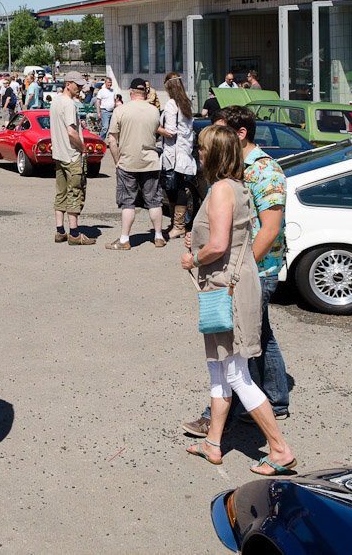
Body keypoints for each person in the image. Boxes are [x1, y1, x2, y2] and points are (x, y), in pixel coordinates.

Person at [181, 124, 296, 476]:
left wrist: (193, 258)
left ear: (213, 154)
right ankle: (214, 443)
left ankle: (279, 450)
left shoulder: (220, 190)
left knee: (235, 371)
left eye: (201, 149)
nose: (198, 154)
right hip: (230, 284)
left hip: (225, 286)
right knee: (218, 366)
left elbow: (217, 245)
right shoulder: (238, 186)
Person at [104, 78, 164, 250]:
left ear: (130, 92)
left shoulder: (120, 110)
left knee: (128, 201)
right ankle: (158, 236)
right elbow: (155, 133)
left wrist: (116, 160)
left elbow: (112, 139)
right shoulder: (154, 111)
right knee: (154, 200)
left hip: (127, 161)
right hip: (150, 161)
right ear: (145, 92)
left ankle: (124, 239)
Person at [50, 71, 96, 246]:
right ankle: (74, 233)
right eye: (77, 85)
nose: (80, 88)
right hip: (71, 155)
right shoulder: (69, 104)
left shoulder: (55, 102)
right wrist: (83, 149)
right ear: (68, 84)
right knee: (75, 191)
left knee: (60, 192)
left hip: (60, 155)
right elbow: (71, 132)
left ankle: (60, 230)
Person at [158, 73, 197, 240]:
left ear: (168, 86)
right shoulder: (186, 103)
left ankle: (178, 226)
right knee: (178, 186)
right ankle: (176, 224)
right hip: (183, 151)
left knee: (175, 188)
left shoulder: (171, 105)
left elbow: (170, 132)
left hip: (173, 152)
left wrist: (155, 126)